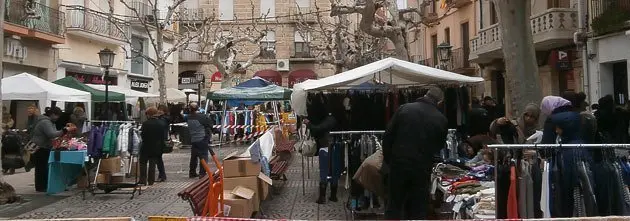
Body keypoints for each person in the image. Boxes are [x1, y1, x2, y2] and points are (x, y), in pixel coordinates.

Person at [382, 86, 448, 219]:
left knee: (394, 204)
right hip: (422, 166)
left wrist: (390, 160)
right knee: (418, 206)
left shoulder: (404, 109)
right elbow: (439, 146)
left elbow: (388, 136)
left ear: (425, 94)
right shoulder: (441, 119)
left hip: (399, 163)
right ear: (439, 102)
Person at [30, 107, 71, 192]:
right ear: (52, 114)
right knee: (41, 168)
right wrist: (64, 130)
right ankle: (41, 187)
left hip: (42, 146)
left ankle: (43, 186)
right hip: (40, 147)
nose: (58, 118)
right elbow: (52, 134)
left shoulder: (49, 122)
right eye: (57, 115)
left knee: (42, 167)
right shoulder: (45, 122)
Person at [139, 107, 166, 185]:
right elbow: (162, 136)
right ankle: (151, 180)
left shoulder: (145, 124)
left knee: (143, 163)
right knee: (152, 164)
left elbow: (143, 135)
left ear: (148, 114)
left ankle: (143, 180)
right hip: (156, 147)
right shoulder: (161, 123)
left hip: (146, 146)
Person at [186, 102, 213, 178]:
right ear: (198, 108)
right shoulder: (202, 117)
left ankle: (192, 172)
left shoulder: (188, 117)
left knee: (194, 157)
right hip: (202, 138)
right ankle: (202, 173)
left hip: (193, 139)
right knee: (203, 156)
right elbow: (210, 125)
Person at [155, 105, 170, 182]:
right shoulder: (162, 118)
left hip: (160, 141)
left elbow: (161, 126)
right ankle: (161, 175)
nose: (159, 111)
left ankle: (162, 175)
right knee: (158, 159)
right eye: (159, 109)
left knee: (158, 159)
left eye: (161, 110)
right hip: (160, 140)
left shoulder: (163, 119)